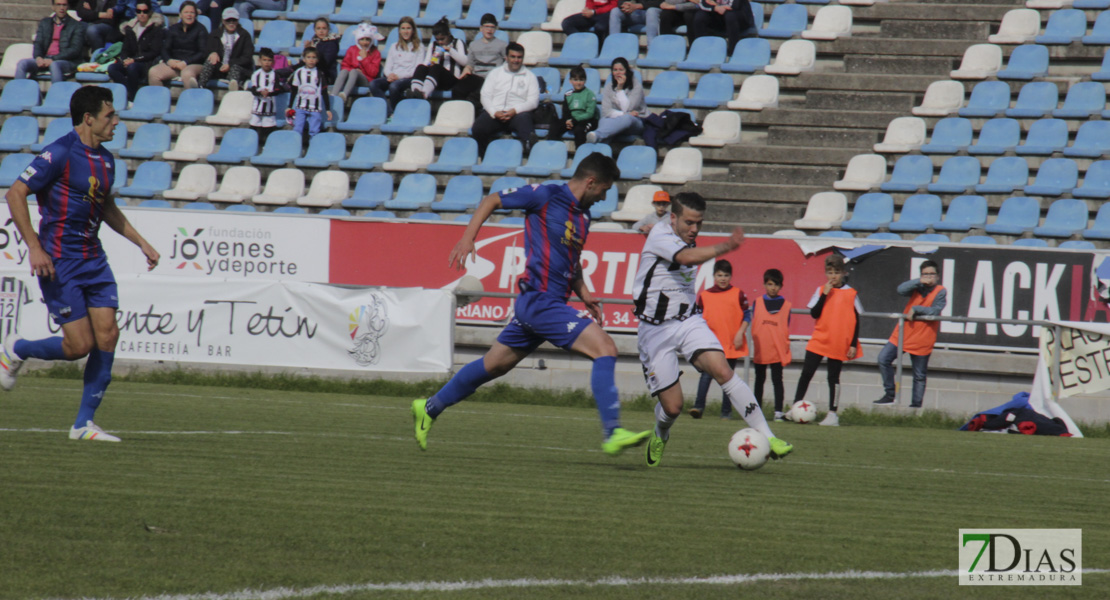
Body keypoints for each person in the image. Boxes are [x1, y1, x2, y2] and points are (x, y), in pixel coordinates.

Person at [411, 153, 652, 457]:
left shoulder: (584, 218)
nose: (604, 198)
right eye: (603, 190)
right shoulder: (546, 196)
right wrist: (468, 238)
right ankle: (613, 431)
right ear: (591, 182)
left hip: (548, 303)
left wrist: (584, 292)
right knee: (605, 347)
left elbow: (571, 261)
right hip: (538, 301)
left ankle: (429, 407)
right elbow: (493, 200)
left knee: (495, 364)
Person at [1, 85, 160, 443]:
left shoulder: (106, 159)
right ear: (89, 119)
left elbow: (106, 209)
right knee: (78, 347)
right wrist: (34, 247)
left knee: (109, 334)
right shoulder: (59, 152)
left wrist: (142, 242)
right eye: (109, 115)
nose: (116, 121)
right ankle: (17, 348)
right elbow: (15, 193)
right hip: (59, 262)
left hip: (93, 259)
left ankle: (83, 425)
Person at [631, 192, 793, 467]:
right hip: (654, 331)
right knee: (673, 408)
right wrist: (726, 246)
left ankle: (769, 436)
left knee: (723, 369)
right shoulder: (660, 235)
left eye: (699, 224)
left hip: (687, 321)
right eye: (689, 223)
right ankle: (661, 432)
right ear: (672, 218)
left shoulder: (686, 238)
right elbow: (685, 258)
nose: (694, 229)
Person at [790, 254, 863, 427]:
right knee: (806, 373)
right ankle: (795, 407)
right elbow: (814, 313)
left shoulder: (851, 293)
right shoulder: (820, 289)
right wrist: (824, 295)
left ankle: (833, 413)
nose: (833, 276)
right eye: (830, 272)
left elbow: (857, 319)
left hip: (838, 342)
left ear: (843, 273)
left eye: (836, 272)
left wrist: (853, 343)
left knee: (833, 378)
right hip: (820, 338)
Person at [874, 261, 947, 409]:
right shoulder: (916, 286)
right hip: (903, 334)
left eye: (932, 274)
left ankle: (915, 406)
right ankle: (889, 394)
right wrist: (918, 281)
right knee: (883, 359)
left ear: (938, 276)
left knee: (919, 375)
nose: (929, 277)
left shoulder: (941, 291)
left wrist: (916, 308)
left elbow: (935, 310)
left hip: (923, 338)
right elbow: (900, 290)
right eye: (925, 274)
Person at [689, 259, 750, 420]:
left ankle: (726, 413)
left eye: (726, 275)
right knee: (706, 376)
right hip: (710, 345)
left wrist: (740, 333)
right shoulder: (705, 295)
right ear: (714, 276)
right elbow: (697, 318)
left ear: (731, 276)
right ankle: (698, 407)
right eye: (719, 275)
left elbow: (747, 315)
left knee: (728, 379)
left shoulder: (738, 293)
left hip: (730, 345)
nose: (723, 278)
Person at [471, 43, 538, 158]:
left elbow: (533, 101)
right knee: (478, 129)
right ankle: (485, 157)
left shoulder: (530, 76)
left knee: (527, 128)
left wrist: (515, 110)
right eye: (513, 56)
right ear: (506, 57)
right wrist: (494, 112)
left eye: (519, 57)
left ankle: (529, 158)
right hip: (495, 112)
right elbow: (485, 96)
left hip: (517, 114)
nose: (516, 60)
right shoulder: (495, 73)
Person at [751, 268, 791, 421]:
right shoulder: (757, 302)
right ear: (764, 285)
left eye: (776, 284)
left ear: (781, 286)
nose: (773, 288)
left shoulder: (786, 305)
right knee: (759, 380)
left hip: (777, 350)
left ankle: (778, 412)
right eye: (769, 284)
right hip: (762, 348)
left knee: (777, 381)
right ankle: (757, 412)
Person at [15, 0, 87, 83]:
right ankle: (19, 92)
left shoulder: (76, 25)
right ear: (53, 7)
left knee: (54, 65)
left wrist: (53, 59)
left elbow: (75, 50)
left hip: (66, 61)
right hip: (45, 59)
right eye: (58, 5)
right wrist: (38, 57)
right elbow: (38, 43)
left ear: (68, 7)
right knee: (22, 64)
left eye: (64, 5)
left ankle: (56, 93)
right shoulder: (45, 23)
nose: (61, 8)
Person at [107, 0, 164, 102]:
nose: (141, 14)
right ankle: (129, 91)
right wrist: (124, 60)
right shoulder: (130, 28)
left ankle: (132, 98)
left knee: (132, 67)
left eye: (145, 11)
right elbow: (125, 49)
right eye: (139, 11)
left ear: (150, 12)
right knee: (112, 68)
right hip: (131, 61)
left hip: (146, 62)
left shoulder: (156, 29)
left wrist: (134, 60)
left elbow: (154, 52)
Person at [450, 14, 507, 111]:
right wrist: (464, 73)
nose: (489, 30)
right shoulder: (473, 45)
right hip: (477, 77)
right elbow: (469, 65)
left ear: (495, 29)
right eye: (487, 27)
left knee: (475, 96)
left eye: (492, 27)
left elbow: (507, 62)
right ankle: (457, 113)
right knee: (457, 89)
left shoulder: (502, 45)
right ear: (481, 28)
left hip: (492, 77)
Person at [369, 16, 421, 114]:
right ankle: (389, 112)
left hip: (408, 78)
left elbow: (416, 69)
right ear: (399, 31)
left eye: (408, 28)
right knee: (373, 84)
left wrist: (399, 76)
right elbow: (388, 66)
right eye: (403, 28)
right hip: (393, 77)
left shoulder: (419, 47)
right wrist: (390, 75)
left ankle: (397, 112)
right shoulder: (394, 46)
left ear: (413, 30)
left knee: (394, 87)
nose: (406, 31)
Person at [586, 57, 645, 144]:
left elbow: (628, 108)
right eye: (615, 70)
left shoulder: (636, 86)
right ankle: (599, 151)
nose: (618, 73)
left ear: (627, 71)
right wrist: (623, 114)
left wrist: (620, 89)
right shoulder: (609, 86)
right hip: (614, 123)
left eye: (621, 70)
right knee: (603, 120)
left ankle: (597, 135)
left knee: (627, 118)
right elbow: (606, 111)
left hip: (634, 123)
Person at [148, 1, 206, 89]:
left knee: (187, 73)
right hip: (176, 64)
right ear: (180, 15)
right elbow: (165, 49)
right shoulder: (173, 29)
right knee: (153, 72)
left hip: (194, 64)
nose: (189, 15)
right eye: (186, 12)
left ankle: (191, 101)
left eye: (192, 12)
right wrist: (169, 60)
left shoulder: (201, 29)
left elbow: (203, 53)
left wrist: (186, 62)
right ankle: (160, 101)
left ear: (196, 15)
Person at [405, 18, 467, 100]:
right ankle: (415, 92)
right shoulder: (433, 45)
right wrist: (431, 62)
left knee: (436, 68)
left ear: (448, 34)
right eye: (437, 39)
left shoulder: (458, 42)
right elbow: (426, 62)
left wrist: (450, 50)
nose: (440, 42)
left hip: (452, 80)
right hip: (436, 79)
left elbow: (465, 62)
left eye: (442, 39)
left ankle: (424, 95)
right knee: (421, 67)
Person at [197, 7, 254, 91]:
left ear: (237, 21)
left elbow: (247, 57)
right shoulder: (215, 34)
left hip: (237, 68)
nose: (231, 23)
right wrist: (212, 52)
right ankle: (200, 86)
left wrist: (230, 64)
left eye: (234, 20)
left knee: (235, 68)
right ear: (223, 21)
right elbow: (206, 51)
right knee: (210, 60)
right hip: (219, 68)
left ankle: (234, 87)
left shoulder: (244, 36)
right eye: (228, 20)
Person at [331, 22, 383, 104]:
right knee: (345, 71)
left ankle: (344, 95)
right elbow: (344, 65)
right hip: (350, 77)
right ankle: (333, 95)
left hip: (366, 80)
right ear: (357, 40)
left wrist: (364, 59)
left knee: (354, 72)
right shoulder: (352, 49)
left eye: (368, 39)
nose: (365, 42)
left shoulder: (375, 52)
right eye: (362, 39)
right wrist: (353, 69)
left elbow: (373, 73)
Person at [288, 47, 332, 141]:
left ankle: (313, 150)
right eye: (308, 57)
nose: (311, 60)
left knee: (314, 131)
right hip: (300, 107)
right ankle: (295, 149)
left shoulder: (320, 74)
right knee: (297, 129)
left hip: (315, 108)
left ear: (317, 60)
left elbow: (324, 92)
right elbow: (294, 90)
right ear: (304, 59)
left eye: (313, 57)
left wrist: (328, 109)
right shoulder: (299, 72)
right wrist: (289, 106)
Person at [556, 65, 598, 147]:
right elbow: (566, 111)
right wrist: (567, 121)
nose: (578, 83)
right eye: (575, 80)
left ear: (585, 81)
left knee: (579, 130)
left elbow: (590, 114)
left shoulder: (590, 94)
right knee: (555, 125)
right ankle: (554, 151)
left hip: (588, 121)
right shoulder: (568, 94)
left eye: (581, 80)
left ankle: (580, 153)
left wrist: (574, 120)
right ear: (570, 81)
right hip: (573, 120)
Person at [247, 47, 282, 144]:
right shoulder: (256, 74)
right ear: (260, 60)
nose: (267, 62)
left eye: (269, 60)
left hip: (269, 108)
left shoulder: (275, 75)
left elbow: (278, 90)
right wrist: (260, 93)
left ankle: (269, 146)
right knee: (254, 127)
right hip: (257, 107)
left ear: (273, 62)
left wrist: (269, 93)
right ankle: (251, 145)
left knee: (269, 129)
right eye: (264, 60)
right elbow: (253, 90)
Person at [299, 18, 342, 85]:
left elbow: (325, 63)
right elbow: (304, 61)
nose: (321, 31)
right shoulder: (314, 41)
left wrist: (312, 50)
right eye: (318, 28)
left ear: (328, 30)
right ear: (315, 30)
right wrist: (307, 50)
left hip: (325, 75)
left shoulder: (332, 43)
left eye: (324, 28)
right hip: (311, 72)